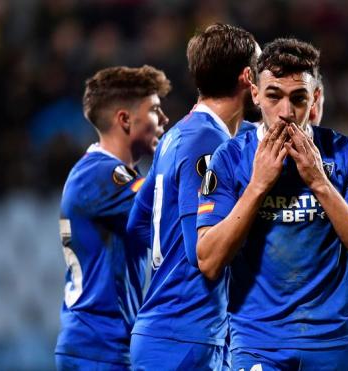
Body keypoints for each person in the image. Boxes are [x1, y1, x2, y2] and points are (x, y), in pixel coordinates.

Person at [196, 38, 348, 370]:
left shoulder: (344, 153)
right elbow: (209, 261)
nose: (286, 113)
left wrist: (319, 183)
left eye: (298, 98)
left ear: (314, 99)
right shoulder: (230, 158)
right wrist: (257, 186)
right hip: (256, 343)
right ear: (255, 94)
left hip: (328, 343)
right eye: (274, 97)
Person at [126, 24, 258, 370]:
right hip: (185, 338)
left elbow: (137, 224)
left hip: (173, 332)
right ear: (248, 77)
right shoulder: (206, 142)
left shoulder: (178, 136)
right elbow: (204, 255)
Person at [55, 65, 170, 370]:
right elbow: (168, 199)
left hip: (101, 343)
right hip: (98, 345)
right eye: (155, 110)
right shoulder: (100, 176)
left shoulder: (99, 173)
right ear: (124, 119)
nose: (164, 120)